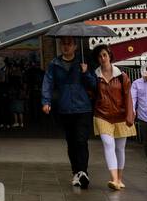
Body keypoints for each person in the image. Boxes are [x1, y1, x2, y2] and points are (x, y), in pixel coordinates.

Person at [42, 36, 96, 189]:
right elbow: (48, 82)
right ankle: (76, 172)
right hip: (65, 108)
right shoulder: (54, 64)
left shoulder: (83, 63)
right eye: (63, 44)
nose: (65, 47)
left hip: (83, 108)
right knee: (71, 143)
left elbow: (94, 84)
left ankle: (83, 172)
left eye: (69, 44)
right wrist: (46, 101)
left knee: (81, 140)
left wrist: (86, 73)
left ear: (75, 47)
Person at [92, 44, 136, 191]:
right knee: (108, 144)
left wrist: (130, 114)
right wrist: (85, 73)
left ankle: (120, 178)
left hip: (121, 115)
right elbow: (91, 93)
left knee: (120, 148)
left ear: (110, 56)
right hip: (102, 115)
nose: (102, 58)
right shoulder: (94, 76)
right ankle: (114, 179)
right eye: (99, 56)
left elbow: (128, 96)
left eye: (104, 55)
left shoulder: (122, 76)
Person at [7, 62, 25, 129]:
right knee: (20, 111)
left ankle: (16, 122)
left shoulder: (13, 79)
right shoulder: (20, 80)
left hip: (15, 97)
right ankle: (22, 123)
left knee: (14, 111)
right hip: (20, 97)